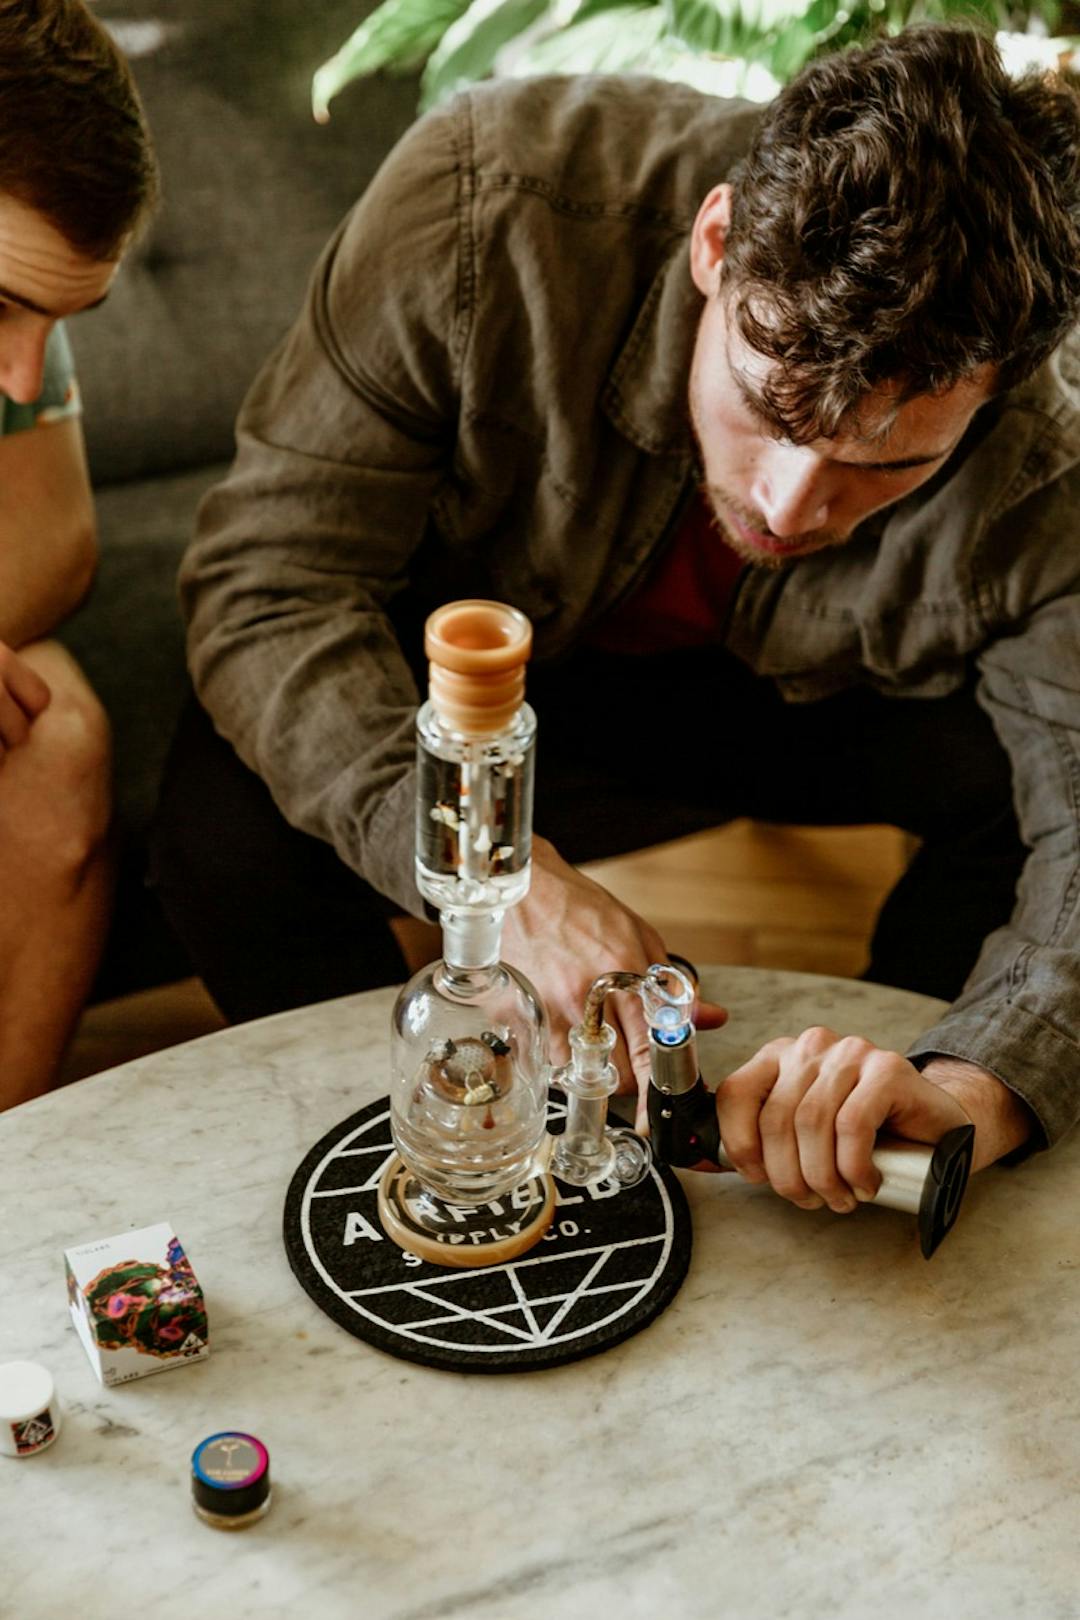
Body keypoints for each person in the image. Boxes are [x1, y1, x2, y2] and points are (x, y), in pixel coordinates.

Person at [154, 24, 1080, 1216]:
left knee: (1009, 805)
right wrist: (503, 886)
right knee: (219, 836)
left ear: (995, 394)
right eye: (766, 406)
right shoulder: (485, 199)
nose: (789, 506)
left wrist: (972, 1087)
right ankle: (401, 1142)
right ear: (714, 245)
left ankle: (845, 1137)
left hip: (790, 702)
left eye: (887, 467)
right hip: (474, 687)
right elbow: (265, 585)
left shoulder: (1049, 457)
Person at [0, 0, 157, 1110]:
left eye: (57, 321)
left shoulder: (23, 347)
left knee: (63, 741)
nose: (22, 376)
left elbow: (57, 541)